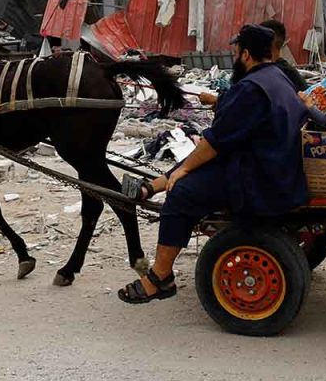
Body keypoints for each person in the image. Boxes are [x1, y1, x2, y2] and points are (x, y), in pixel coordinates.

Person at [118, 24, 309, 303]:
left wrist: (183, 169)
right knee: (197, 161)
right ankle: (151, 187)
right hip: (276, 166)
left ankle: (160, 278)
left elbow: (216, 140)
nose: (234, 56)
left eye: (236, 51)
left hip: (259, 178)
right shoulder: (278, 77)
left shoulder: (251, 87)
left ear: (245, 54)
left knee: (182, 191)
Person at [198, 20, 306, 108]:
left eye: (237, 53)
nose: (236, 58)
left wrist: (218, 102)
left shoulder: (260, 80)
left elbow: (244, 106)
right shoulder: (276, 74)